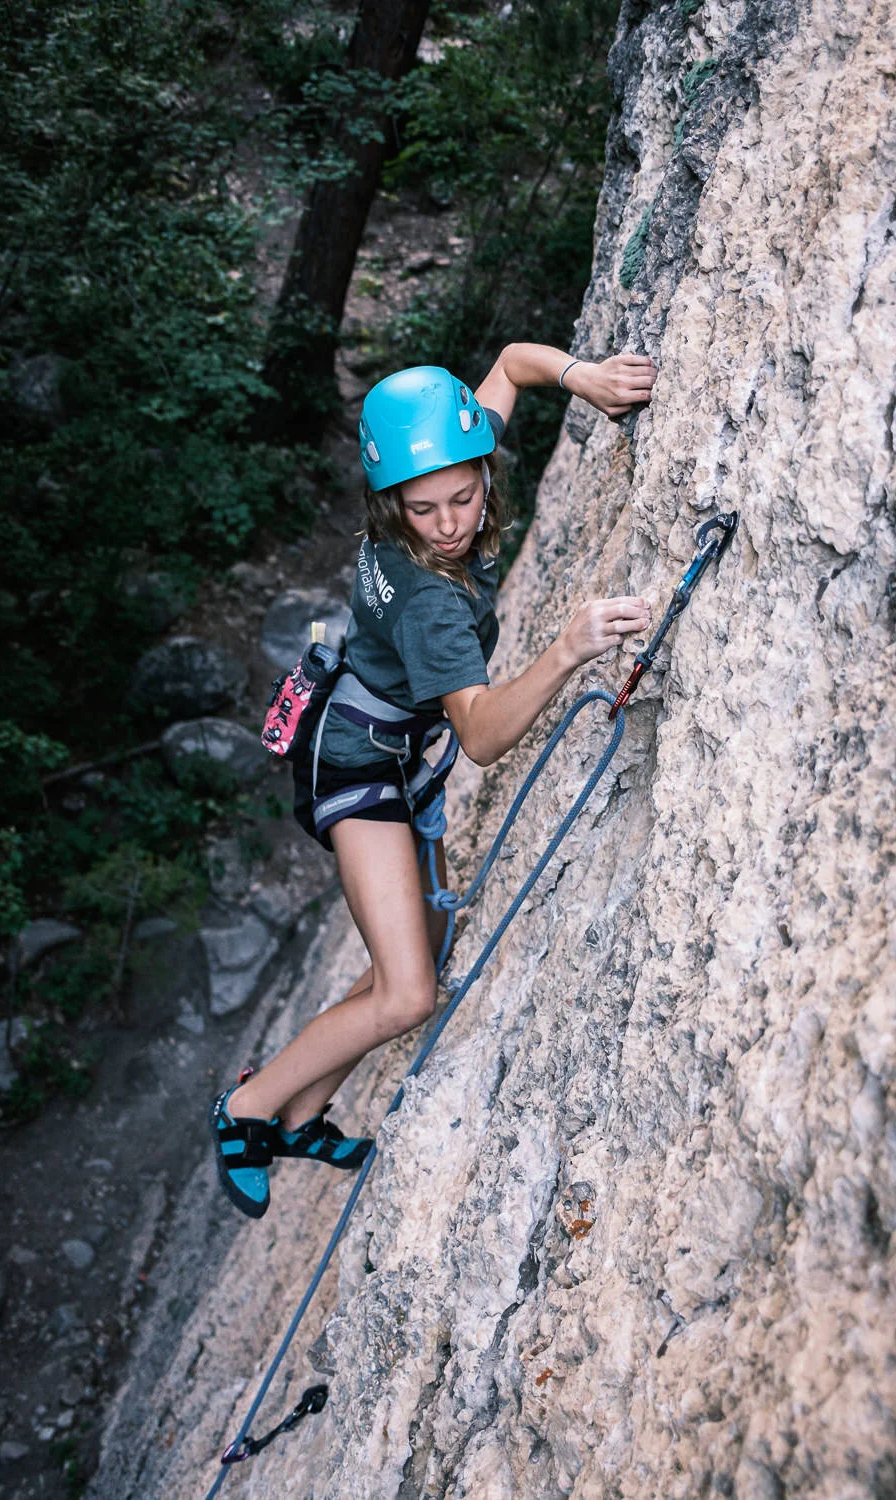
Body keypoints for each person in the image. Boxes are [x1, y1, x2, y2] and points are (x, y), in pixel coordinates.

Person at [209, 343, 656, 1217]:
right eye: (424, 510)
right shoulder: (430, 602)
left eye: (463, 496)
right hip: (354, 768)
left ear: (479, 465)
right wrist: (568, 647)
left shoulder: (439, 462)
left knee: (413, 951)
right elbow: (482, 735)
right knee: (409, 990)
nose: (450, 523)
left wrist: (587, 380)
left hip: (385, 748)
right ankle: (247, 1109)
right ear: (392, 503)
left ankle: (300, 1113)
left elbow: (512, 364)